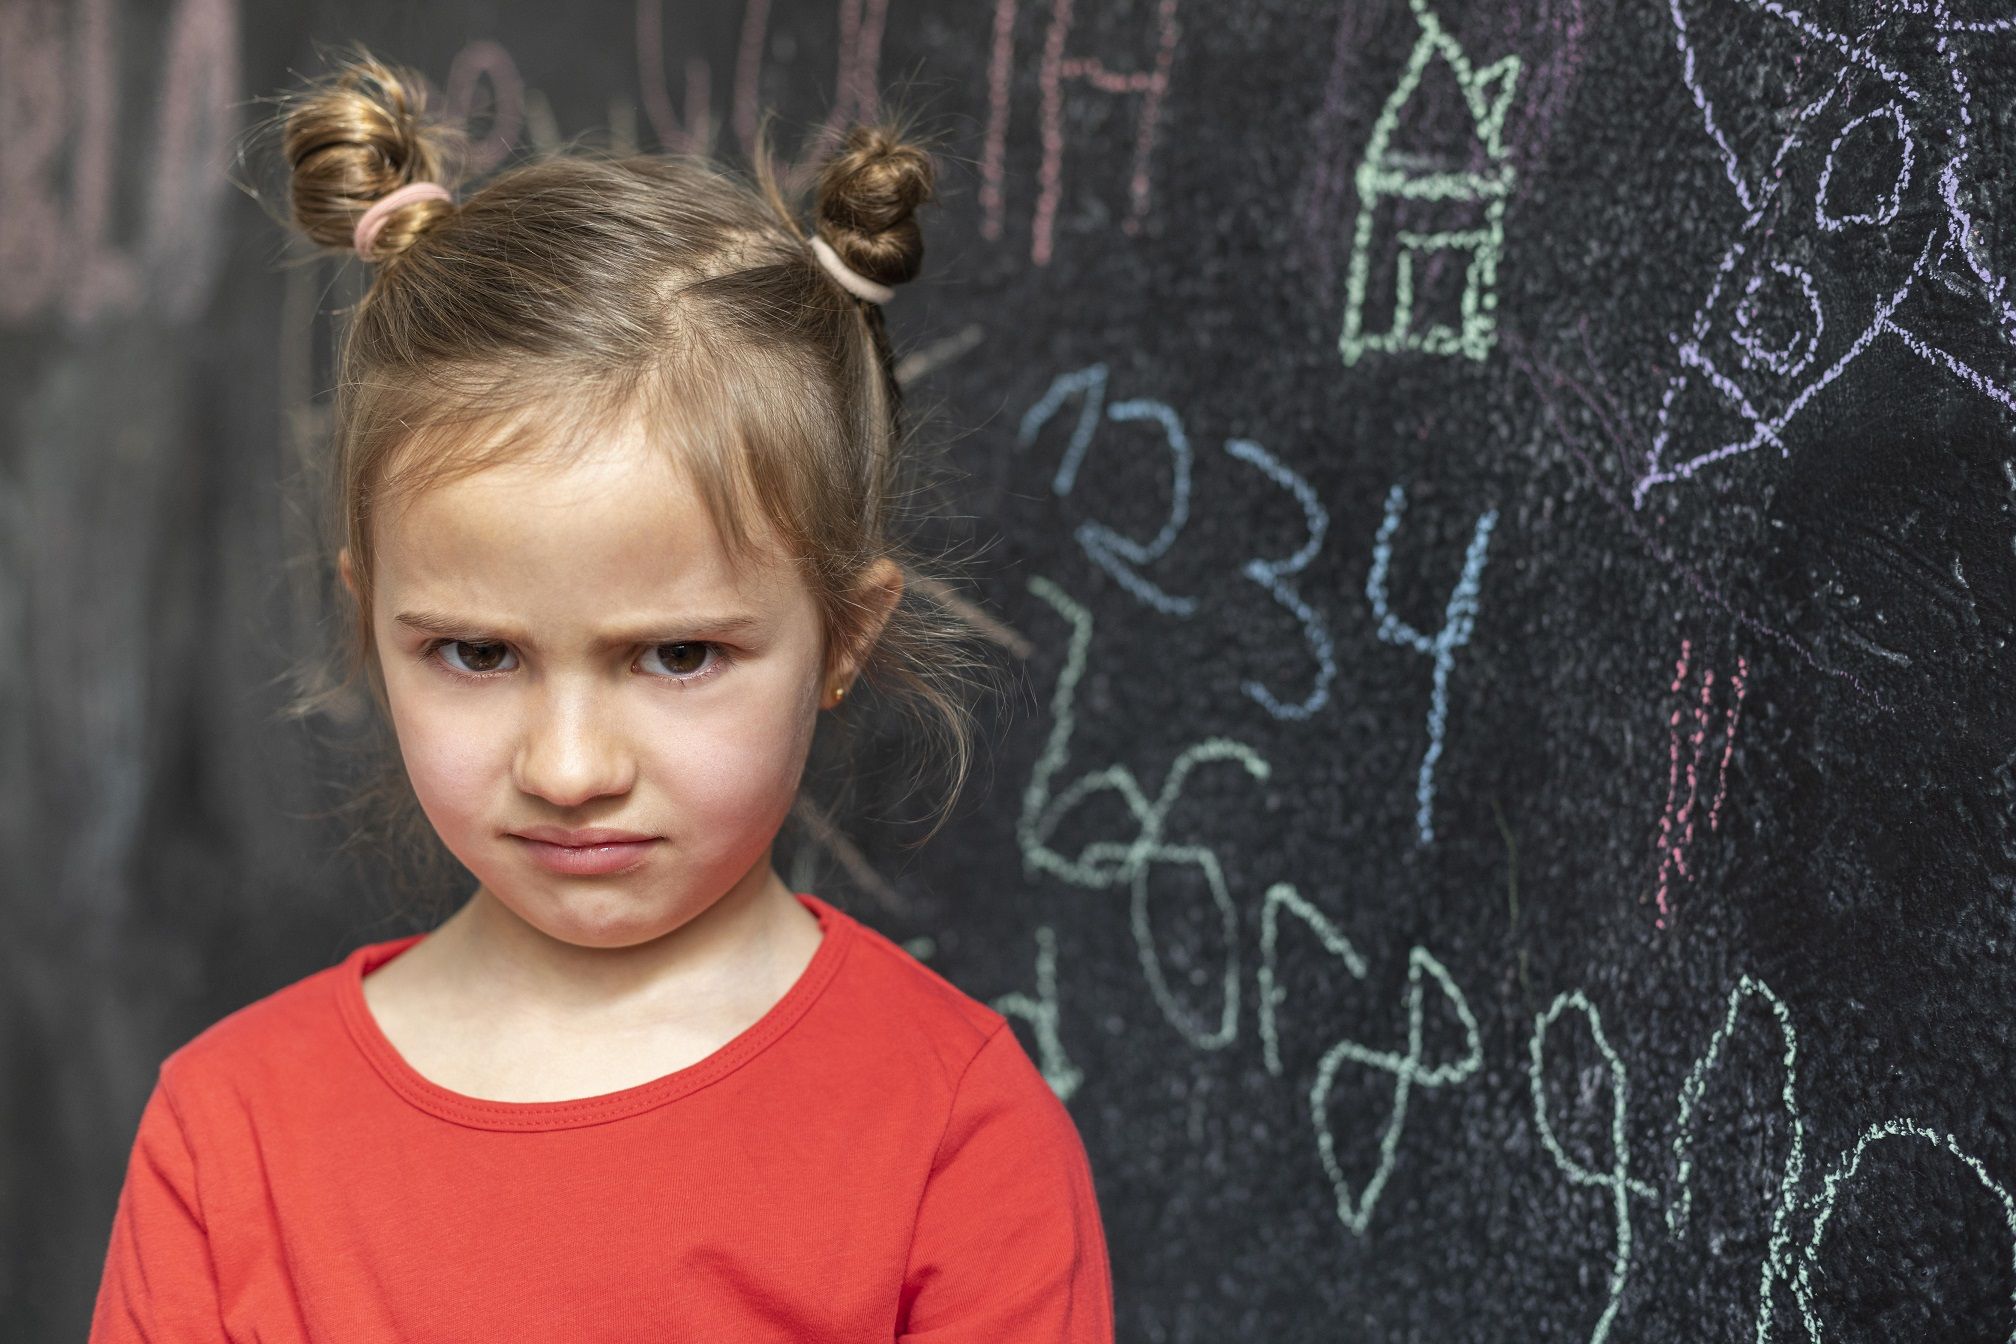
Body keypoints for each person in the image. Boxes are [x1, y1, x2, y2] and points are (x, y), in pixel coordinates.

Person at [88, 46, 1114, 1342]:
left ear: (845, 636)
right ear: (369, 625)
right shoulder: (230, 1136)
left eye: (677, 656)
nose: (568, 768)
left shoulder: (954, 1139)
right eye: (477, 654)